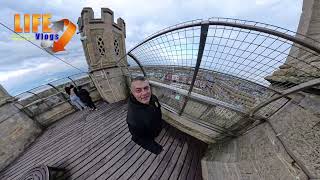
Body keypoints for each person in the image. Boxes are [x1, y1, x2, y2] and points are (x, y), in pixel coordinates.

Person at [126, 76, 164, 155]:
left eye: (146, 88)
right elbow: (137, 138)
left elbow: (158, 110)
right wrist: (156, 149)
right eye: (138, 90)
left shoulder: (153, 98)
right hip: (150, 136)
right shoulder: (133, 118)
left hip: (157, 129)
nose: (144, 93)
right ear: (132, 92)